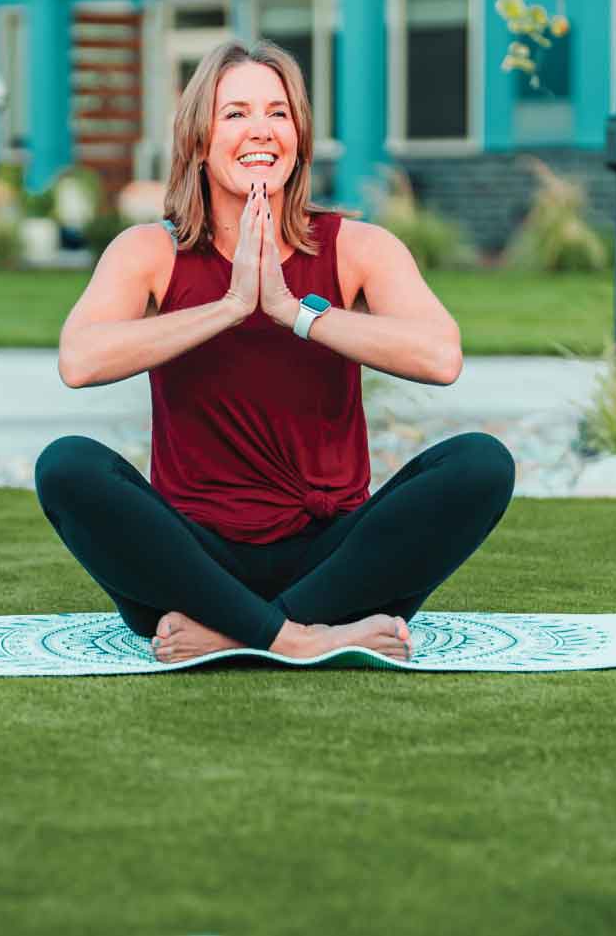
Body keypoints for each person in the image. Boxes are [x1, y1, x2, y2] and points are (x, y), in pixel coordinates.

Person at [35, 39, 515, 665]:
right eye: (235, 113)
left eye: (278, 113)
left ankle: (245, 632)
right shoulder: (148, 252)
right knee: (66, 466)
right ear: (199, 140)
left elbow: (440, 355)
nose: (260, 129)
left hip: (335, 565)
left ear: (299, 137)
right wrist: (232, 305)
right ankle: (299, 639)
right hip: (191, 569)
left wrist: (293, 310)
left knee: (481, 463)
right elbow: (81, 359)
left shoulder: (359, 246)